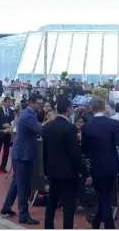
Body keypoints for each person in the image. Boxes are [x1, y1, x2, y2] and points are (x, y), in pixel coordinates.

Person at [81, 96, 119, 229]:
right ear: (104, 107)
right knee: (105, 197)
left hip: (97, 166)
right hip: (112, 165)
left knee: (103, 197)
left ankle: (105, 226)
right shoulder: (113, 124)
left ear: (91, 108)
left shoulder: (86, 127)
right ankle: (97, 225)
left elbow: (85, 150)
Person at [42, 97, 90, 229]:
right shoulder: (70, 128)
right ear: (68, 110)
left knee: (51, 203)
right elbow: (75, 154)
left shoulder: (47, 127)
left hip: (52, 171)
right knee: (68, 207)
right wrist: (85, 173)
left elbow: (44, 152)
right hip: (68, 174)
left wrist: (46, 170)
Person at [0, 93, 43, 224]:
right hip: (23, 154)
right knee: (23, 185)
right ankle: (23, 214)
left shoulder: (28, 113)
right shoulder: (28, 116)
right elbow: (39, 129)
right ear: (31, 102)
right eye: (38, 102)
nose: (40, 105)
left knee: (16, 182)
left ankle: (7, 207)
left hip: (20, 153)